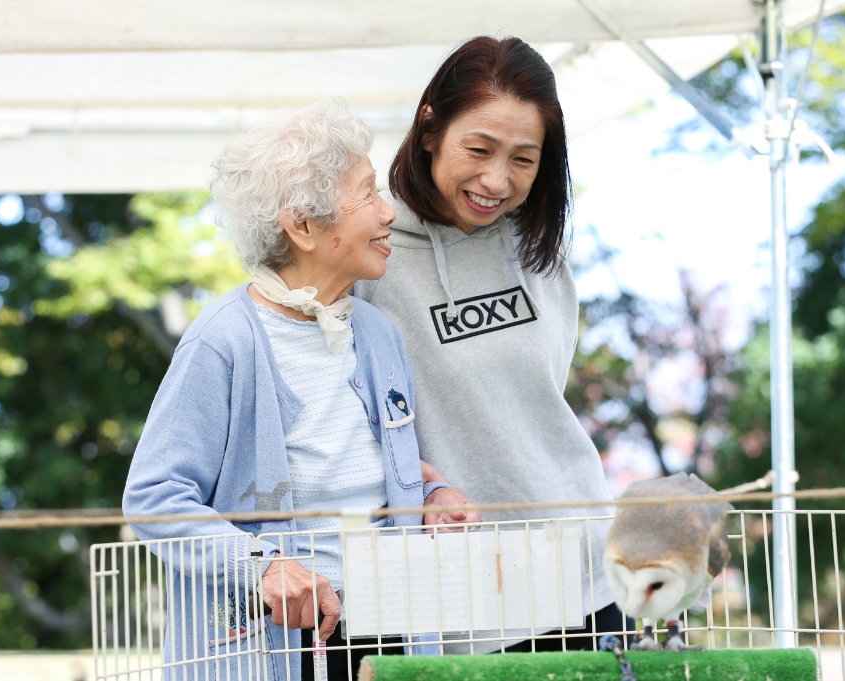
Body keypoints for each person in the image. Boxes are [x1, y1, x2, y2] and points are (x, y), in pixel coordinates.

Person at [123, 99, 478, 681]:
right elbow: (154, 498)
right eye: (367, 194)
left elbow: (369, 462)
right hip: (276, 648)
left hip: (390, 634)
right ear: (303, 225)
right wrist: (259, 566)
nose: (389, 213)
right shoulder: (223, 340)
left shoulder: (378, 332)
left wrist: (432, 494)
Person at [352, 36, 628, 652]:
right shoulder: (370, 253)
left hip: (585, 574)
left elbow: (538, 397)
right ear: (429, 131)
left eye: (524, 159)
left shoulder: (541, 252)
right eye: (478, 149)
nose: (496, 179)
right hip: (456, 597)